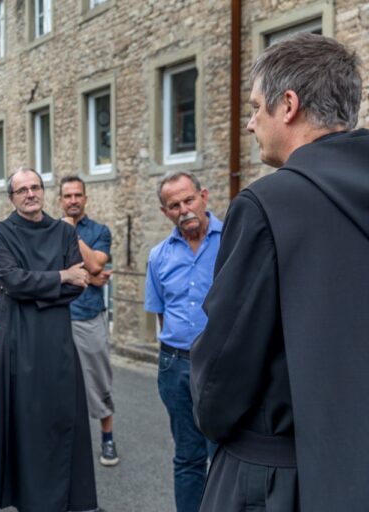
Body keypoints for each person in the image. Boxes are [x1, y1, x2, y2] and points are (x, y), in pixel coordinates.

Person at [191, 33, 369, 512]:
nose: (249, 124)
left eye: (254, 107)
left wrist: (209, 413)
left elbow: (224, 366)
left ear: (287, 105)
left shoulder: (268, 205)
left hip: (278, 479)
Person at [0, 167, 98, 512]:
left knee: (60, 420)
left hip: (57, 340)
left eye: (36, 187)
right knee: (25, 423)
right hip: (18, 341)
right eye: (22, 190)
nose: (30, 194)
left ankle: (62, 499)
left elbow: (79, 286)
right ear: (12, 197)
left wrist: (35, 291)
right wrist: (59, 276)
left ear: (43, 192)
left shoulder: (64, 231)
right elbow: (12, 280)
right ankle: (27, 499)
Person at [144, 170, 221, 512]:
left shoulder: (233, 240)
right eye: (174, 205)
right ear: (165, 212)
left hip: (224, 364)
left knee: (224, 453)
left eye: (189, 200)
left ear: (204, 196)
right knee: (187, 456)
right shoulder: (158, 256)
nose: (184, 209)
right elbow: (161, 314)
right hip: (175, 365)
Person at [58, 175, 118, 467]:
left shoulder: (99, 231)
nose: (72, 200)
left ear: (85, 199)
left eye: (77, 195)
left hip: (88, 315)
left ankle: (107, 438)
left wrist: (72, 234)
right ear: (60, 200)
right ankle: (64, 442)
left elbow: (95, 263)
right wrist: (92, 279)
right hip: (55, 317)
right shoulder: (48, 231)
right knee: (58, 384)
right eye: (67, 196)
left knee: (98, 378)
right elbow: (48, 270)